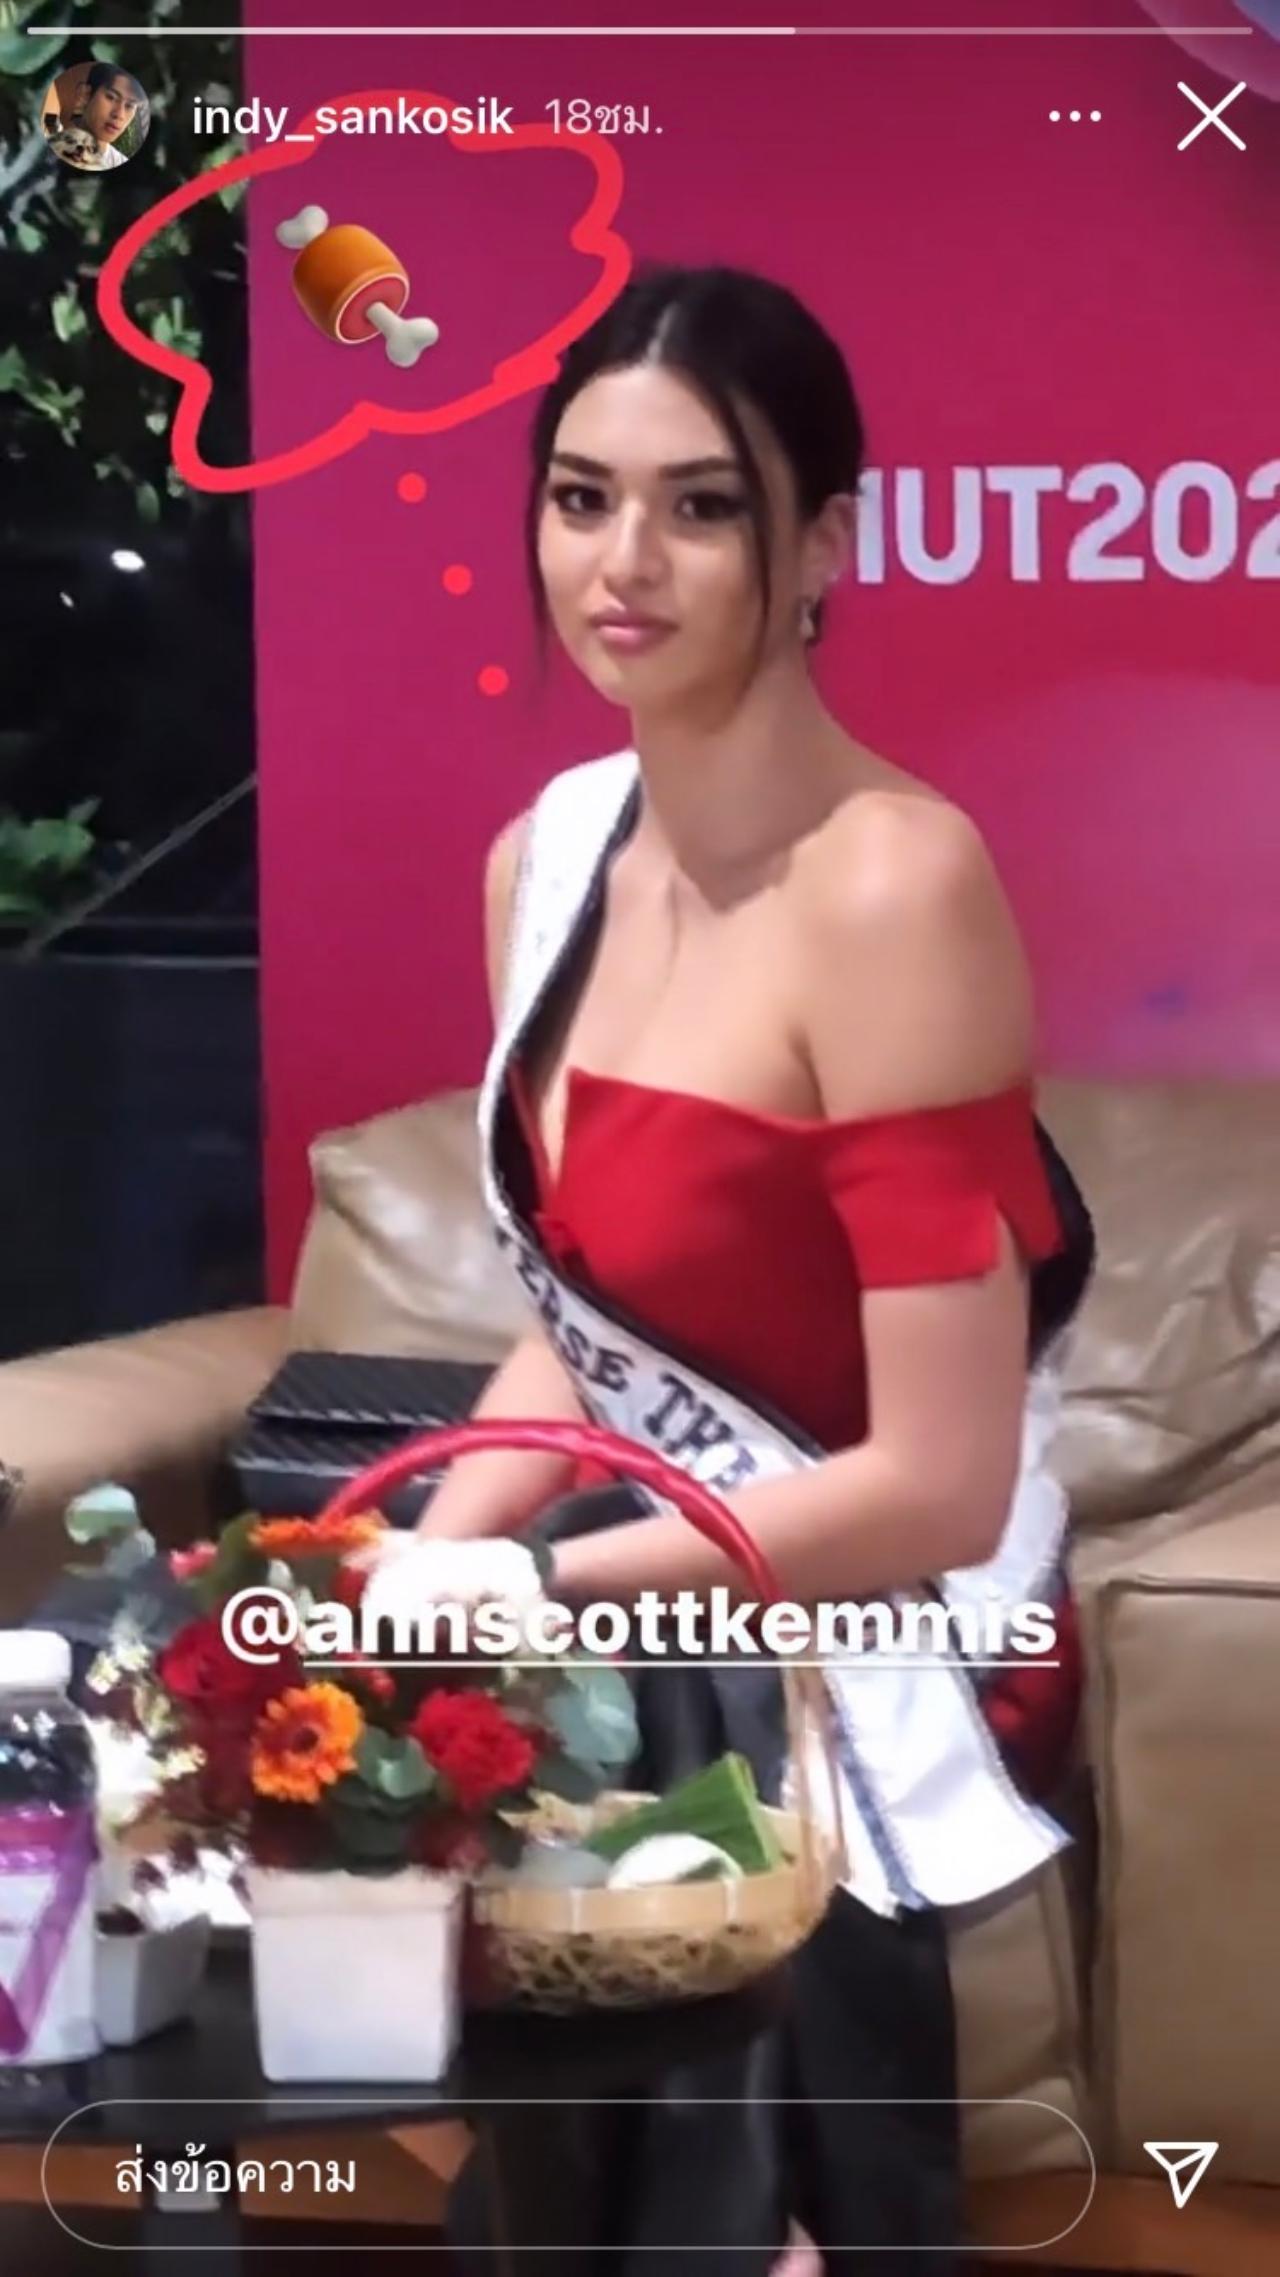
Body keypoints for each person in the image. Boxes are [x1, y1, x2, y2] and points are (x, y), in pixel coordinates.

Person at [389, 264, 1096, 2272]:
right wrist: (421, 1569)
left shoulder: (895, 883)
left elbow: (937, 1486)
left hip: (901, 1619)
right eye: (580, 497)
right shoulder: (541, 862)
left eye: (701, 506)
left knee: (645, 1732)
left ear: (823, 547)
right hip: (663, 1566)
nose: (624, 562)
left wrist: (538, 1589)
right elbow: (595, 1333)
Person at [47, 62, 144, 170]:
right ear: (85, 94)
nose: (119, 115)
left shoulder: (122, 167)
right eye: (111, 97)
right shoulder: (48, 146)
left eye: (130, 106)